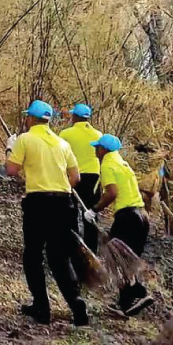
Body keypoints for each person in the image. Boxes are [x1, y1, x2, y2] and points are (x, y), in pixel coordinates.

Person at [4, 100, 89, 327]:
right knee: (59, 258)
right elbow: (76, 178)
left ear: (31, 118)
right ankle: (76, 302)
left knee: (33, 255)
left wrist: (10, 149)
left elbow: (11, 169)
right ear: (48, 119)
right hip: (64, 203)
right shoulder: (62, 143)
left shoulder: (25, 139)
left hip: (38, 203)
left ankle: (41, 307)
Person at [87, 134, 153, 316]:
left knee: (118, 258)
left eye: (97, 147)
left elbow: (112, 193)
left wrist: (94, 210)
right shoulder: (122, 163)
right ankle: (126, 303)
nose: (95, 150)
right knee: (128, 260)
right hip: (141, 216)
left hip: (128, 218)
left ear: (104, 150)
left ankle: (139, 293)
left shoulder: (108, 164)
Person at [59, 104, 103, 251]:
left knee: (71, 211)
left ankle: (73, 245)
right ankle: (91, 249)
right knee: (90, 213)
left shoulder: (65, 134)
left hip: (73, 176)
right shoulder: (98, 135)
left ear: (75, 117)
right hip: (94, 177)